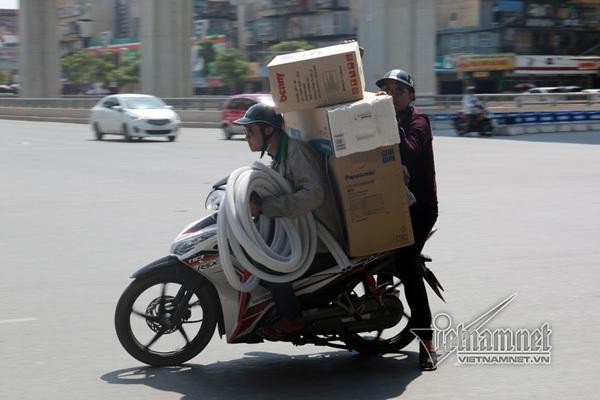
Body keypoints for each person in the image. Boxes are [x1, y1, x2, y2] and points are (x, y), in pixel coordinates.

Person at [233, 103, 343, 338]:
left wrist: (266, 207)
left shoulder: (296, 152)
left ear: (269, 131)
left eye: (250, 132)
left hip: (322, 243)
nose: (247, 138)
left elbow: (314, 194)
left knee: (267, 263)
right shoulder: (278, 156)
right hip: (305, 237)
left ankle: (291, 318)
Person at [376, 69, 439, 371]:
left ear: (411, 96)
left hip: (420, 209)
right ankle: (378, 307)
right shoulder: (383, 117)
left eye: (398, 91)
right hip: (390, 206)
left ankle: (426, 343)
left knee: (407, 266)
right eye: (387, 90)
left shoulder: (418, 122)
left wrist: (386, 119)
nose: (391, 95)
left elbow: (409, 153)